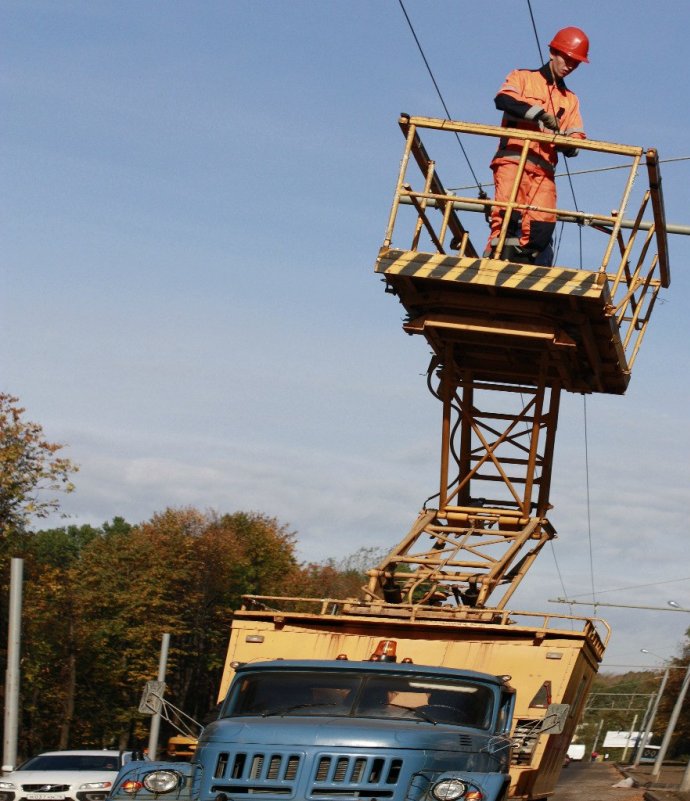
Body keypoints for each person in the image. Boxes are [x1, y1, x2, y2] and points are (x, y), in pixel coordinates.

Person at [485, 27, 590, 265]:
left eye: (576, 63)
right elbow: (503, 100)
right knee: (507, 217)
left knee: (542, 226)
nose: (570, 66)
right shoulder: (523, 78)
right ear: (553, 52)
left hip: (544, 171)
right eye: (568, 59)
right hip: (513, 159)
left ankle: (524, 263)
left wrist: (564, 141)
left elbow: (576, 141)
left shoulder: (570, 99)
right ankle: (497, 260)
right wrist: (539, 115)